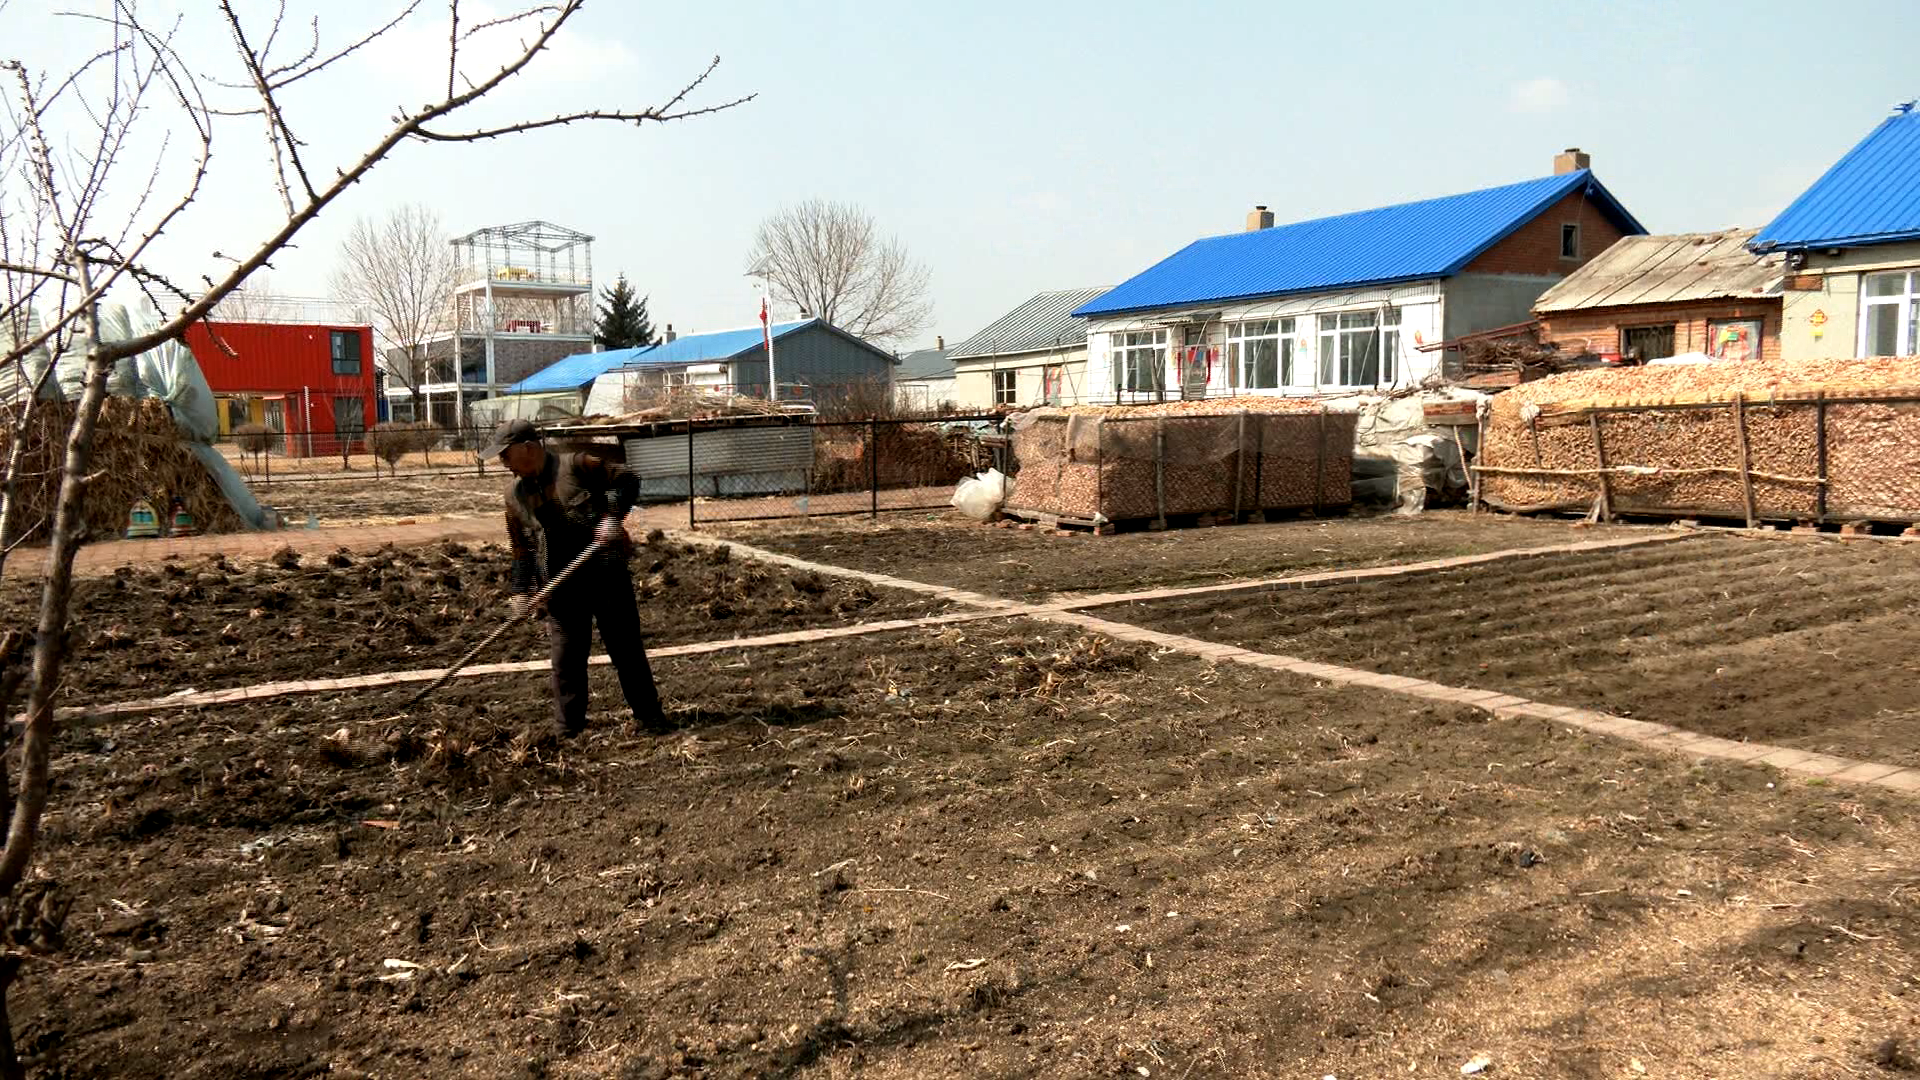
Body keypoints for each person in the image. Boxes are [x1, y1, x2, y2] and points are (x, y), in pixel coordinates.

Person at [485, 418, 669, 736]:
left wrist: (612, 518)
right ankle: (568, 730)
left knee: (626, 651)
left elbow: (628, 480)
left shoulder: (577, 465)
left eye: (505, 454)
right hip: (561, 586)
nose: (503, 462)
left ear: (527, 447)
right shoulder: (514, 496)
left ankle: (650, 718)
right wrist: (520, 591)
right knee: (566, 661)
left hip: (605, 575)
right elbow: (521, 548)